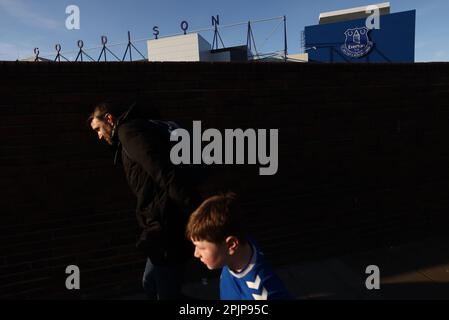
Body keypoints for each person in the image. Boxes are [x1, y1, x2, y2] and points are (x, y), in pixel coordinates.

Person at [88, 101, 203, 299]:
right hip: (156, 224)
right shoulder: (132, 133)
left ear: (109, 119)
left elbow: (164, 173)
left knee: (166, 293)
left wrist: (196, 210)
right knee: (150, 284)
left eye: (98, 128)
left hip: (165, 223)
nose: (99, 135)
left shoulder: (129, 133)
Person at [186, 192, 292, 300]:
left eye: (201, 248)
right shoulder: (237, 250)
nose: (196, 254)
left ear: (231, 245)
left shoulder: (260, 295)